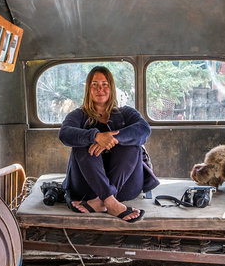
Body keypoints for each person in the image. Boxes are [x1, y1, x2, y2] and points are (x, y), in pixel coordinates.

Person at [58, 66, 159, 222]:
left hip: (126, 187)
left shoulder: (126, 113)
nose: (100, 89)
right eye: (95, 84)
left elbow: (144, 130)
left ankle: (101, 201)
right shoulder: (78, 115)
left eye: (105, 84)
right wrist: (96, 136)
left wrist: (112, 139)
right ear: (88, 90)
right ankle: (111, 202)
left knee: (132, 146)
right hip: (87, 187)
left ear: (111, 88)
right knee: (82, 145)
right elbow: (64, 134)